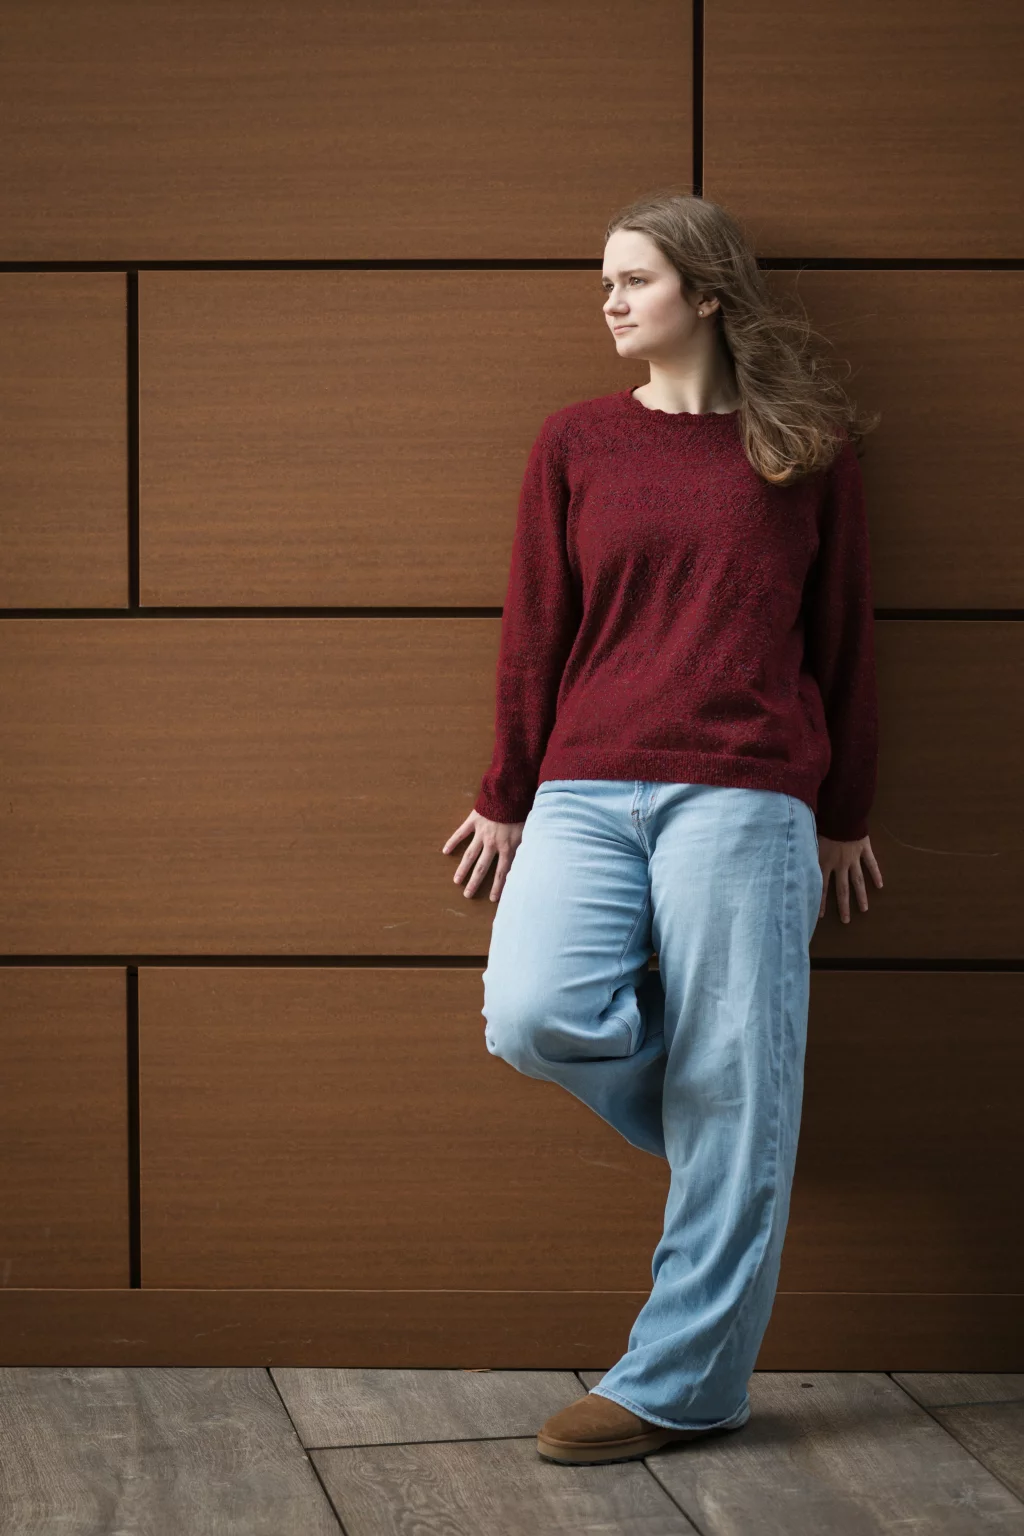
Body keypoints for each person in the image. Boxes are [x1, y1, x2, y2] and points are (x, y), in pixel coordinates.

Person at [441, 191, 884, 1467]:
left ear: (704, 291)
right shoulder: (576, 442)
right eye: (604, 284)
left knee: (743, 1082)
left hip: (748, 792)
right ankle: (739, 1128)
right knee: (533, 1014)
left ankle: (683, 1384)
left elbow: (846, 643)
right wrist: (505, 789)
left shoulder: (807, 446)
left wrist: (843, 813)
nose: (611, 303)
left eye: (633, 280)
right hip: (586, 787)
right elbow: (535, 632)